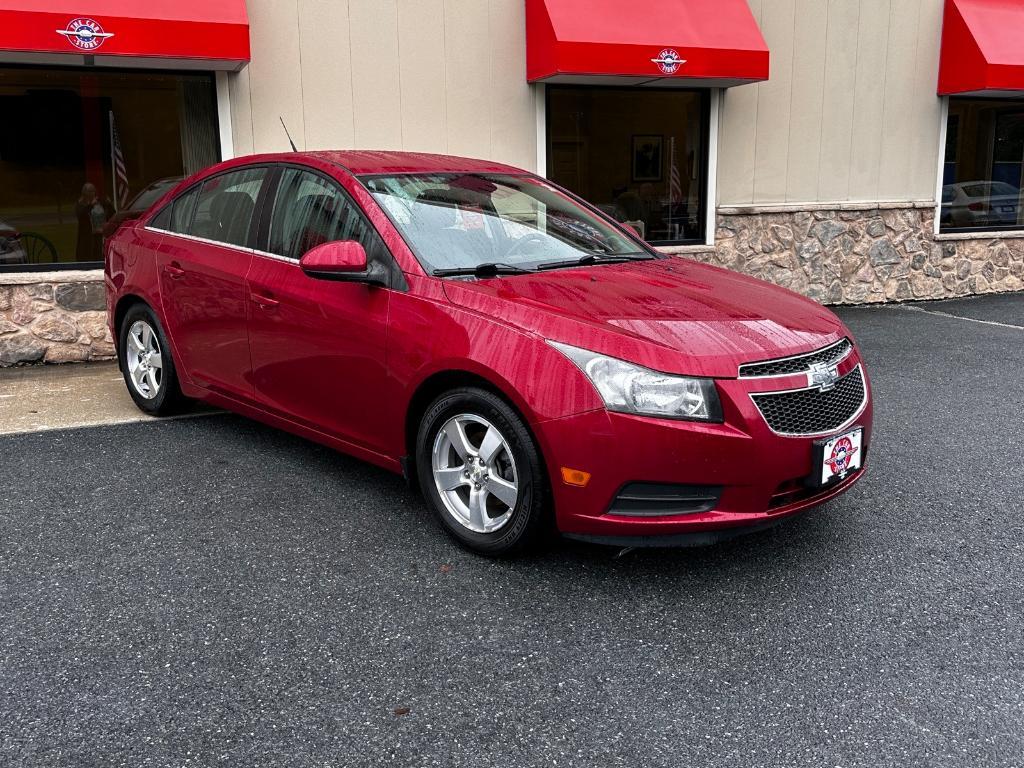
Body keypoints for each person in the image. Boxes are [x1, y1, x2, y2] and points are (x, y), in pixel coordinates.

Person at [75, 183, 113, 262]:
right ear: (84, 193)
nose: (91, 193)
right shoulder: (80, 204)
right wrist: (90, 205)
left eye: (93, 191)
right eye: (89, 191)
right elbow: (81, 215)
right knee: (88, 258)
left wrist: (109, 204)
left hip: (101, 235)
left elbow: (112, 214)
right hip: (87, 237)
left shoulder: (100, 202)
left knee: (100, 257)